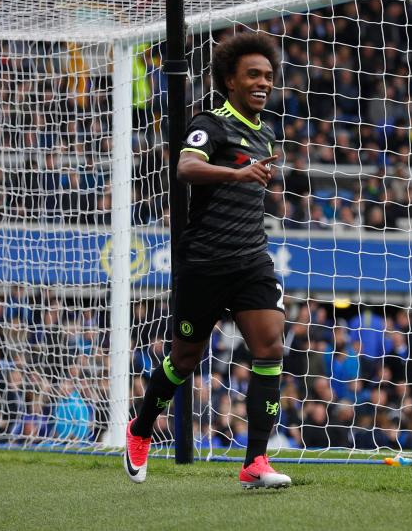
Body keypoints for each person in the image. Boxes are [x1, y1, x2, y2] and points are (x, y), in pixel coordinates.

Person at [124, 32, 292, 488]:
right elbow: (186, 167)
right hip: (204, 263)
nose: (263, 82)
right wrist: (236, 173)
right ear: (229, 81)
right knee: (184, 359)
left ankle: (255, 461)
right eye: (253, 75)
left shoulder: (268, 130)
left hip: (251, 260)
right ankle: (140, 430)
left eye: (268, 76)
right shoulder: (210, 122)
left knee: (270, 348)